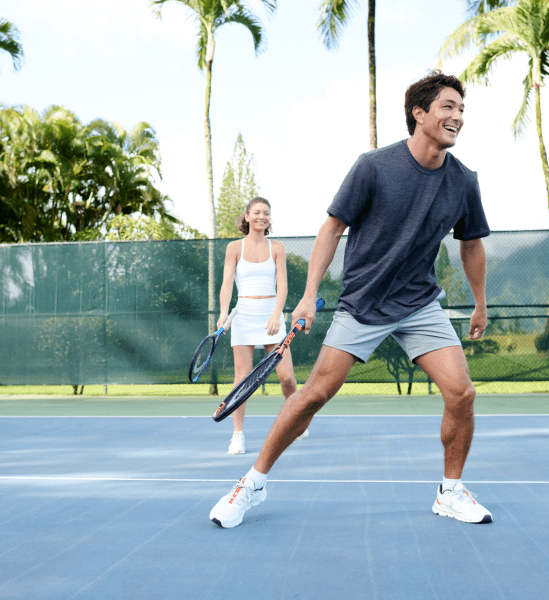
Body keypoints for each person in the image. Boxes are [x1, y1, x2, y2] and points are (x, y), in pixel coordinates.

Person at [210, 70, 492, 528]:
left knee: (461, 393)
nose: (457, 116)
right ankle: (251, 485)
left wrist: (479, 303)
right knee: (313, 394)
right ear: (419, 114)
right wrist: (308, 296)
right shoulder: (374, 166)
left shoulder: (463, 181)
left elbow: (472, 244)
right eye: (447, 107)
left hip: (419, 303)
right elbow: (331, 228)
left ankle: (451, 492)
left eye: (461, 110)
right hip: (363, 302)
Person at [216, 197, 307, 454]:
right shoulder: (234, 248)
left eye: (266, 213)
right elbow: (226, 284)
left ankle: (295, 422)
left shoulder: (277, 247)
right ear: (246, 217)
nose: (261, 216)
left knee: (287, 378)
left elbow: (283, 284)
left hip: (271, 315)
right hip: (243, 316)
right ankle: (238, 435)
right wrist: (224, 312)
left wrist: (277, 315)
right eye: (256, 212)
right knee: (241, 378)